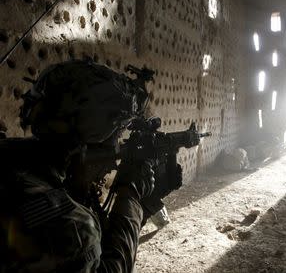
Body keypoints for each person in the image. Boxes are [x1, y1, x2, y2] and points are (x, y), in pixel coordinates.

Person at [0, 60, 167, 272]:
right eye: (116, 136)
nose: (115, 156)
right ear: (85, 145)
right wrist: (130, 195)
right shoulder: (72, 227)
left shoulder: (12, 160)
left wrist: (79, 192)